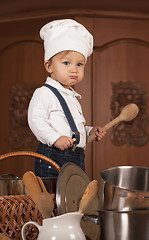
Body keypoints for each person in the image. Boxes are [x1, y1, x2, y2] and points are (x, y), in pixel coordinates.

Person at [28, 19, 106, 177]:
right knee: (52, 197)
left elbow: (70, 127)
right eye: (66, 63)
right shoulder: (44, 93)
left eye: (79, 64)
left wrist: (89, 131)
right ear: (49, 66)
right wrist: (55, 138)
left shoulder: (72, 96)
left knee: (72, 197)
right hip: (53, 156)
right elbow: (36, 120)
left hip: (76, 157)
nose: (74, 70)